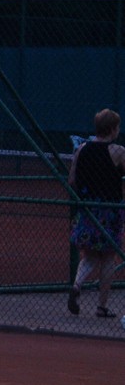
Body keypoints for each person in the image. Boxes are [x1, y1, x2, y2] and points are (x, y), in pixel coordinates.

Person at [67, 108, 125, 318]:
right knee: (108, 257)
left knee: (90, 256)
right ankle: (102, 306)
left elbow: (72, 180)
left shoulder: (82, 149)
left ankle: (76, 285)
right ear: (112, 129)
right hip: (110, 211)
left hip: (88, 209)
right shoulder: (118, 151)